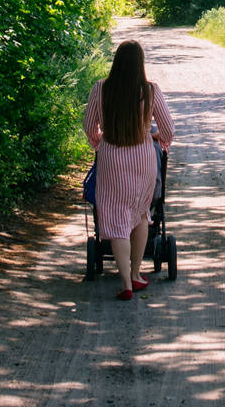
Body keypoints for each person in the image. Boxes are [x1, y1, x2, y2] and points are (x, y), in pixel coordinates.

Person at [83, 39, 174, 300]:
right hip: (143, 158)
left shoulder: (101, 88)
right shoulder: (150, 90)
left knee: (115, 216)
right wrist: (156, 138)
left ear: (117, 62)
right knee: (140, 214)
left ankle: (125, 283)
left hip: (112, 157)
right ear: (140, 64)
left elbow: (90, 126)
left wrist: (100, 141)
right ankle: (136, 273)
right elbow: (168, 130)